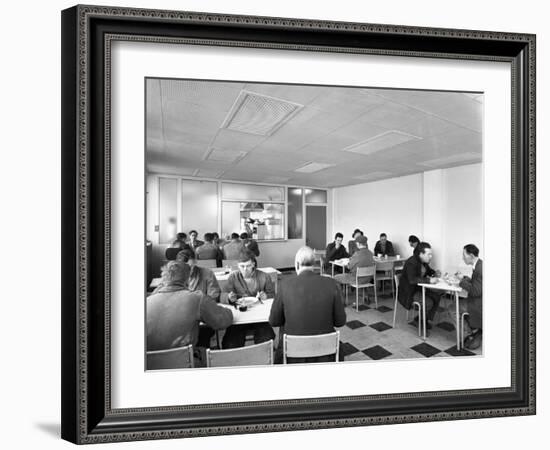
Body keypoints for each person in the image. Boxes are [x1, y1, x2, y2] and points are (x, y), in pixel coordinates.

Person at [269, 246, 347, 363]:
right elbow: (340, 322)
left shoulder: (284, 285)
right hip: (326, 353)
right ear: (314, 263)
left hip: (293, 354)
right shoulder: (332, 284)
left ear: (297, 264)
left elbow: (274, 321)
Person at [146, 261, 232, 352]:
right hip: (185, 361)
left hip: (151, 364)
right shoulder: (197, 298)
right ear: (187, 279)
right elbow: (222, 321)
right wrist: (229, 312)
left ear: (163, 279)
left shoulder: (147, 302)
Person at [221, 250, 276, 349]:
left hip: (259, 317)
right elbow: (223, 295)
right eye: (242, 266)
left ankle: (264, 360)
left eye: (248, 266)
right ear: (238, 265)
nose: (245, 269)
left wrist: (266, 296)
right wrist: (229, 298)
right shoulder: (233, 277)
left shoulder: (264, 276)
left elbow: (272, 294)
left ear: (253, 264)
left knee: (266, 339)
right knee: (230, 343)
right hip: (239, 317)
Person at [397, 242, 442, 332]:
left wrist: (434, 273)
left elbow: (428, 271)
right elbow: (412, 279)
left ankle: (421, 319)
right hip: (408, 292)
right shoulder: (411, 263)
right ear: (421, 254)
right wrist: (429, 280)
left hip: (418, 289)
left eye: (431, 254)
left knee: (437, 296)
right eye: (428, 254)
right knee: (428, 302)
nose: (431, 256)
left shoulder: (423, 261)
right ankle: (422, 323)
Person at [456, 244, 483, 350]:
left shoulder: (480, 269)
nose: (463, 258)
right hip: (478, 300)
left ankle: (470, 333)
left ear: (471, 256)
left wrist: (461, 281)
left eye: (464, 255)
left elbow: (475, 291)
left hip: (477, 303)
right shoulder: (479, 264)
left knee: (452, 309)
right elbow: (477, 284)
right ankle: (475, 330)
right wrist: (464, 278)